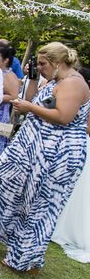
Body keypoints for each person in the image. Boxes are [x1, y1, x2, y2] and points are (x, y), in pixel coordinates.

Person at [0, 42, 90, 273]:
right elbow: (33, 99)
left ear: (58, 62)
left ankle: (23, 259)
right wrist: (33, 79)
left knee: (39, 205)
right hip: (32, 146)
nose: (40, 67)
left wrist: (29, 108)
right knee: (1, 182)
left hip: (57, 153)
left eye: (43, 64)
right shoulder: (56, 81)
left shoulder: (73, 83)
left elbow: (64, 116)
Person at [52, 68, 90, 263]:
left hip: (79, 142)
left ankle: (72, 229)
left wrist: (77, 124)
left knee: (80, 191)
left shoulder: (79, 95)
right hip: (78, 141)